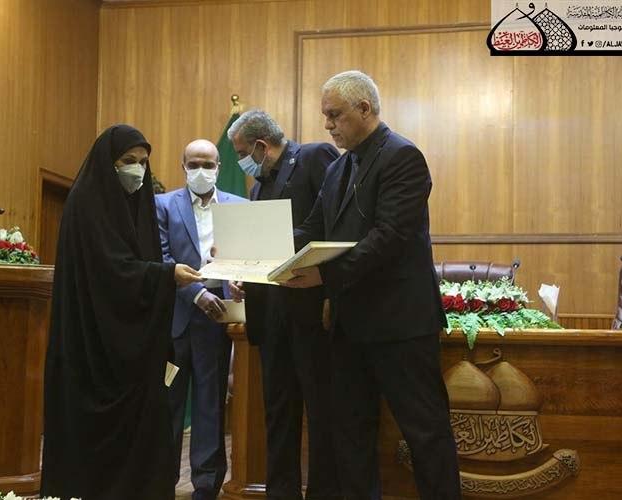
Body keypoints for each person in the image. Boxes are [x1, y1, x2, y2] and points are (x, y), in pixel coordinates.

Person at [285, 71, 461, 499]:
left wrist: (324, 276)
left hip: (401, 326)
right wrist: (262, 251)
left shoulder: (403, 157)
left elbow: (389, 238)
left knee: (426, 434)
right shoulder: (338, 167)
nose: (327, 124)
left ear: (364, 108)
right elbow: (313, 229)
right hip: (349, 327)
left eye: (335, 115)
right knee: (351, 435)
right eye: (326, 115)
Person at [41, 124, 203, 500]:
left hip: (136, 353)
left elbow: (139, 263)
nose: (138, 170)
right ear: (107, 162)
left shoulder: (138, 205)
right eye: (128, 161)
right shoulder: (85, 204)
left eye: (144, 162)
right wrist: (166, 275)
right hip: (93, 348)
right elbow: (109, 271)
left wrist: (162, 275)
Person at [227, 110, 342, 500]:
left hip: (312, 313)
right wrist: (242, 273)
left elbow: (333, 223)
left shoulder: (314, 157)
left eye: (241, 152)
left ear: (261, 146)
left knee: (322, 413)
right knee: (278, 414)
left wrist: (331, 293)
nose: (241, 161)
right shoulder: (257, 188)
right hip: (272, 317)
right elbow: (264, 251)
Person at [156, 139, 246, 500]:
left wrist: (238, 282)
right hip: (177, 317)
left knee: (210, 403)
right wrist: (196, 293)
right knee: (168, 402)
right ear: (183, 166)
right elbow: (161, 257)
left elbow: (247, 257)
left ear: (219, 167)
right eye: (194, 164)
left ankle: (206, 485)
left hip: (219, 316)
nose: (201, 171)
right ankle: (161, 480)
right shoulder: (163, 205)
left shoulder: (239, 206)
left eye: (208, 164)